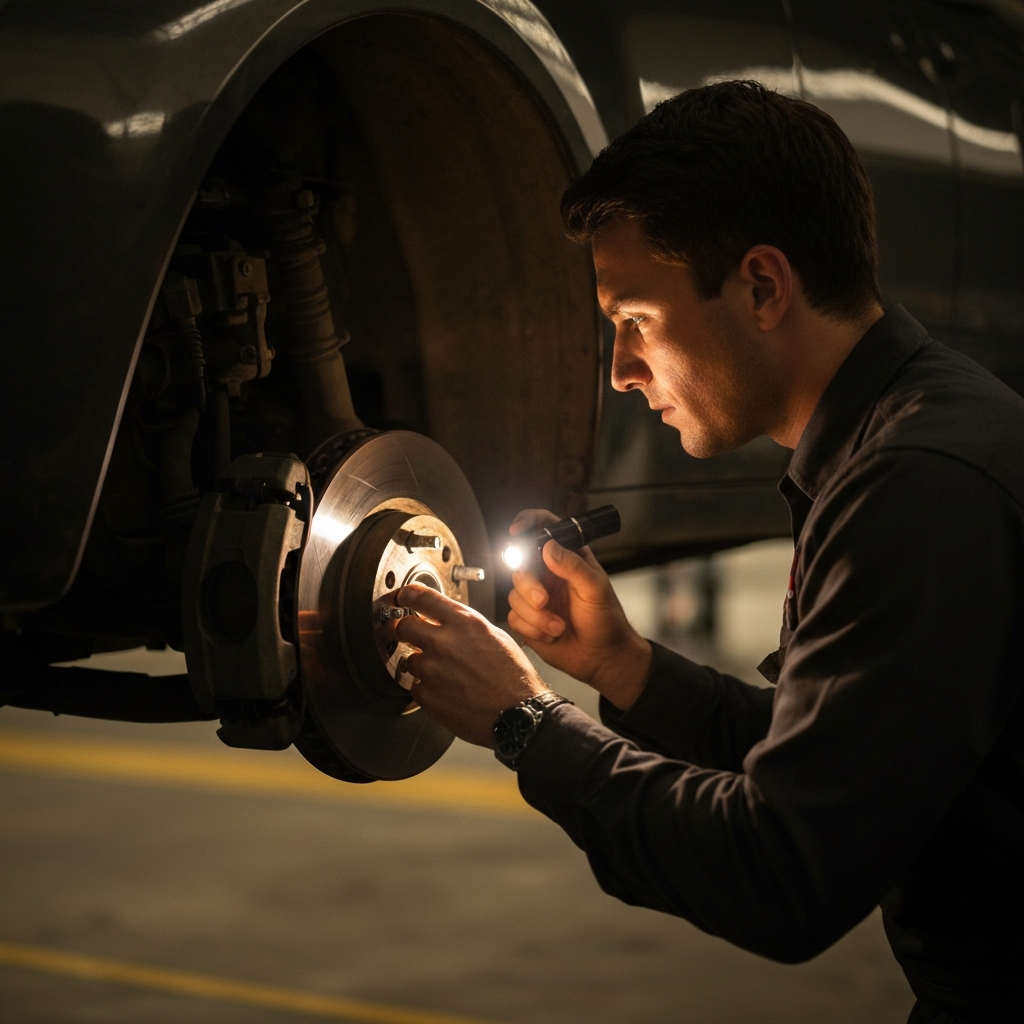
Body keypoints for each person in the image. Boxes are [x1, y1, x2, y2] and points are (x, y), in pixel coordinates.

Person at [387, 81, 1023, 1023]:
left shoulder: (917, 486)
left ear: (762, 285)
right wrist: (626, 668)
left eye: (635, 319)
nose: (621, 370)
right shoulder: (912, 433)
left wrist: (525, 721)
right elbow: (846, 757)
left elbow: (783, 872)